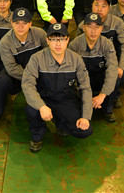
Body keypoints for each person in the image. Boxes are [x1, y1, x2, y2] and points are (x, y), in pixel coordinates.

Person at [22, 22, 93, 153]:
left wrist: (86, 116)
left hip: (65, 99)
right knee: (32, 110)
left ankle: (60, 123)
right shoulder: (36, 58)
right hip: (43, 98)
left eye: (61, 39)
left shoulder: (76, 59)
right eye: (54, 39)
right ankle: (37, 135)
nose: (58, 44)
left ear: (67, 40)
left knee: (84, 131)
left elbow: (85, 88)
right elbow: (27, 84)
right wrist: (41, 106)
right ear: (47, 41)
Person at [0, 8, 47, 127]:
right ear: (12, 23)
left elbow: (49, 54)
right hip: (17, 73)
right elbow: (11, 67)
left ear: (30, 23)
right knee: (2, 82)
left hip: (38, 71)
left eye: (24, 23)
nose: (21, 27)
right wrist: (30, 78)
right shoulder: (5, 41)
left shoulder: (40, 34)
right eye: (17, 23)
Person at [69, 13, 119, 123]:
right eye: (89, 27)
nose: (93, 31)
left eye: (97, 27)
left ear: (101, 28)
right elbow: (70, 72)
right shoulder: (74, 45)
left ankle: (107, 109)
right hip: (83, 80)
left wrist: (102, 95)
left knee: (115, 77)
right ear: (83, 28)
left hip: (99, 78)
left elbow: (112, 69)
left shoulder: (107, 44)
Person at [81, 0, 124, 106]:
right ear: (92, 6)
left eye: (103, 6)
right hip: (91, 62)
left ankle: (113, 96)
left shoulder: (117, 23)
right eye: (96, 5)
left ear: (109, 8)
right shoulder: (83, 25)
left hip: (111, 61)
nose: (99, 9)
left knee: (119, 76)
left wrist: (120, 66)